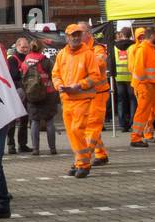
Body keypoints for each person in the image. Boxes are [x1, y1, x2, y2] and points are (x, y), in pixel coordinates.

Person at [51, 24, 103, 178]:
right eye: (73, 35)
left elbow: (95, 76)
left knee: (77, 130)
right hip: (67, 99)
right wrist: (59, 86)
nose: (76, 37)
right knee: (72, 133)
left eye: (78, 35)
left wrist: (79, 85)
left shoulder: (88, 54)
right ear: (67, 37)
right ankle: (79, 161)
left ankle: (83, 164)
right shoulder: (62, 54)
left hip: (82, 97)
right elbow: (56, 74)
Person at [77, 22, 111, 166]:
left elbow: (100, 63)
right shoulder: (79, 50)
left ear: (88, 33)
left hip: (99, 93)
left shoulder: (97, 48)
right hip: (86, 93)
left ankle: (84, 157)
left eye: (81, 32)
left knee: (92, 125)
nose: (78, 36)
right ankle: (101, 154)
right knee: (89, 126)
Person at [21, 40, 59, 155]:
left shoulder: (25, 62)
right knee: (49, 122)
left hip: (32, 94)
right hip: (48, 93)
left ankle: (35, 149)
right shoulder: (46, 61)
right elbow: (54, 75)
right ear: (42, 48)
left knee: (34, 122)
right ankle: (52, 149)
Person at [4, 37, 32, 155]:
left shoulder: (30, 58)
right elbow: (13, 75)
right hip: (15, 92)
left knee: (24, 119)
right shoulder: (12, 59)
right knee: (12, 120)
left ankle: (22, 144)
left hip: (27, 91)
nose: (25, 49)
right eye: (23, 47)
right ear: (17, 47)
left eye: (27, 47)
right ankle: (11, 145)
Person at [112, 27, 135, 132]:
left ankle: (122, 124)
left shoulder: (115, 46)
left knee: (121, 101)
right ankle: (133, 122)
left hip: (119, 77)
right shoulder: (134, 45)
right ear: (130, 34)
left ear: (121, 34)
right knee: (132, 100)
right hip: (131, 76)